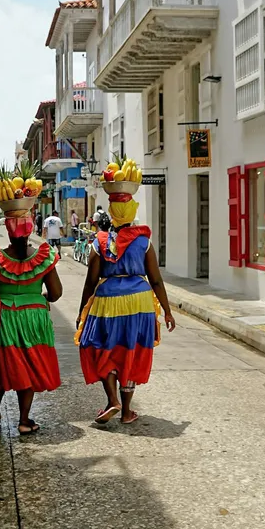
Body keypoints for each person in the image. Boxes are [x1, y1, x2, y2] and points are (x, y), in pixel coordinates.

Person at [76, 167, 176, 425]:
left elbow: (91, 280)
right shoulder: (144, 242)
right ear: (132, 211)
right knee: (131, 350)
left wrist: (81, 310)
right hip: (140, 301)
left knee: (101, 347)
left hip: (106, 301)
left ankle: (112, 399)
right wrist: (167, 310)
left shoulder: (99, 242)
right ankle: (127, 411)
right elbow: (155, 279)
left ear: (111, 213)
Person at [0, 198, 63, 434]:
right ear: (30, 229)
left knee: (3, 362)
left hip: (3, 317)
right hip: (34, 318)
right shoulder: (44, 257)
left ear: (9, 232)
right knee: (29, 363)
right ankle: (24, 420)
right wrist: (40, 297)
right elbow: (56, 293)